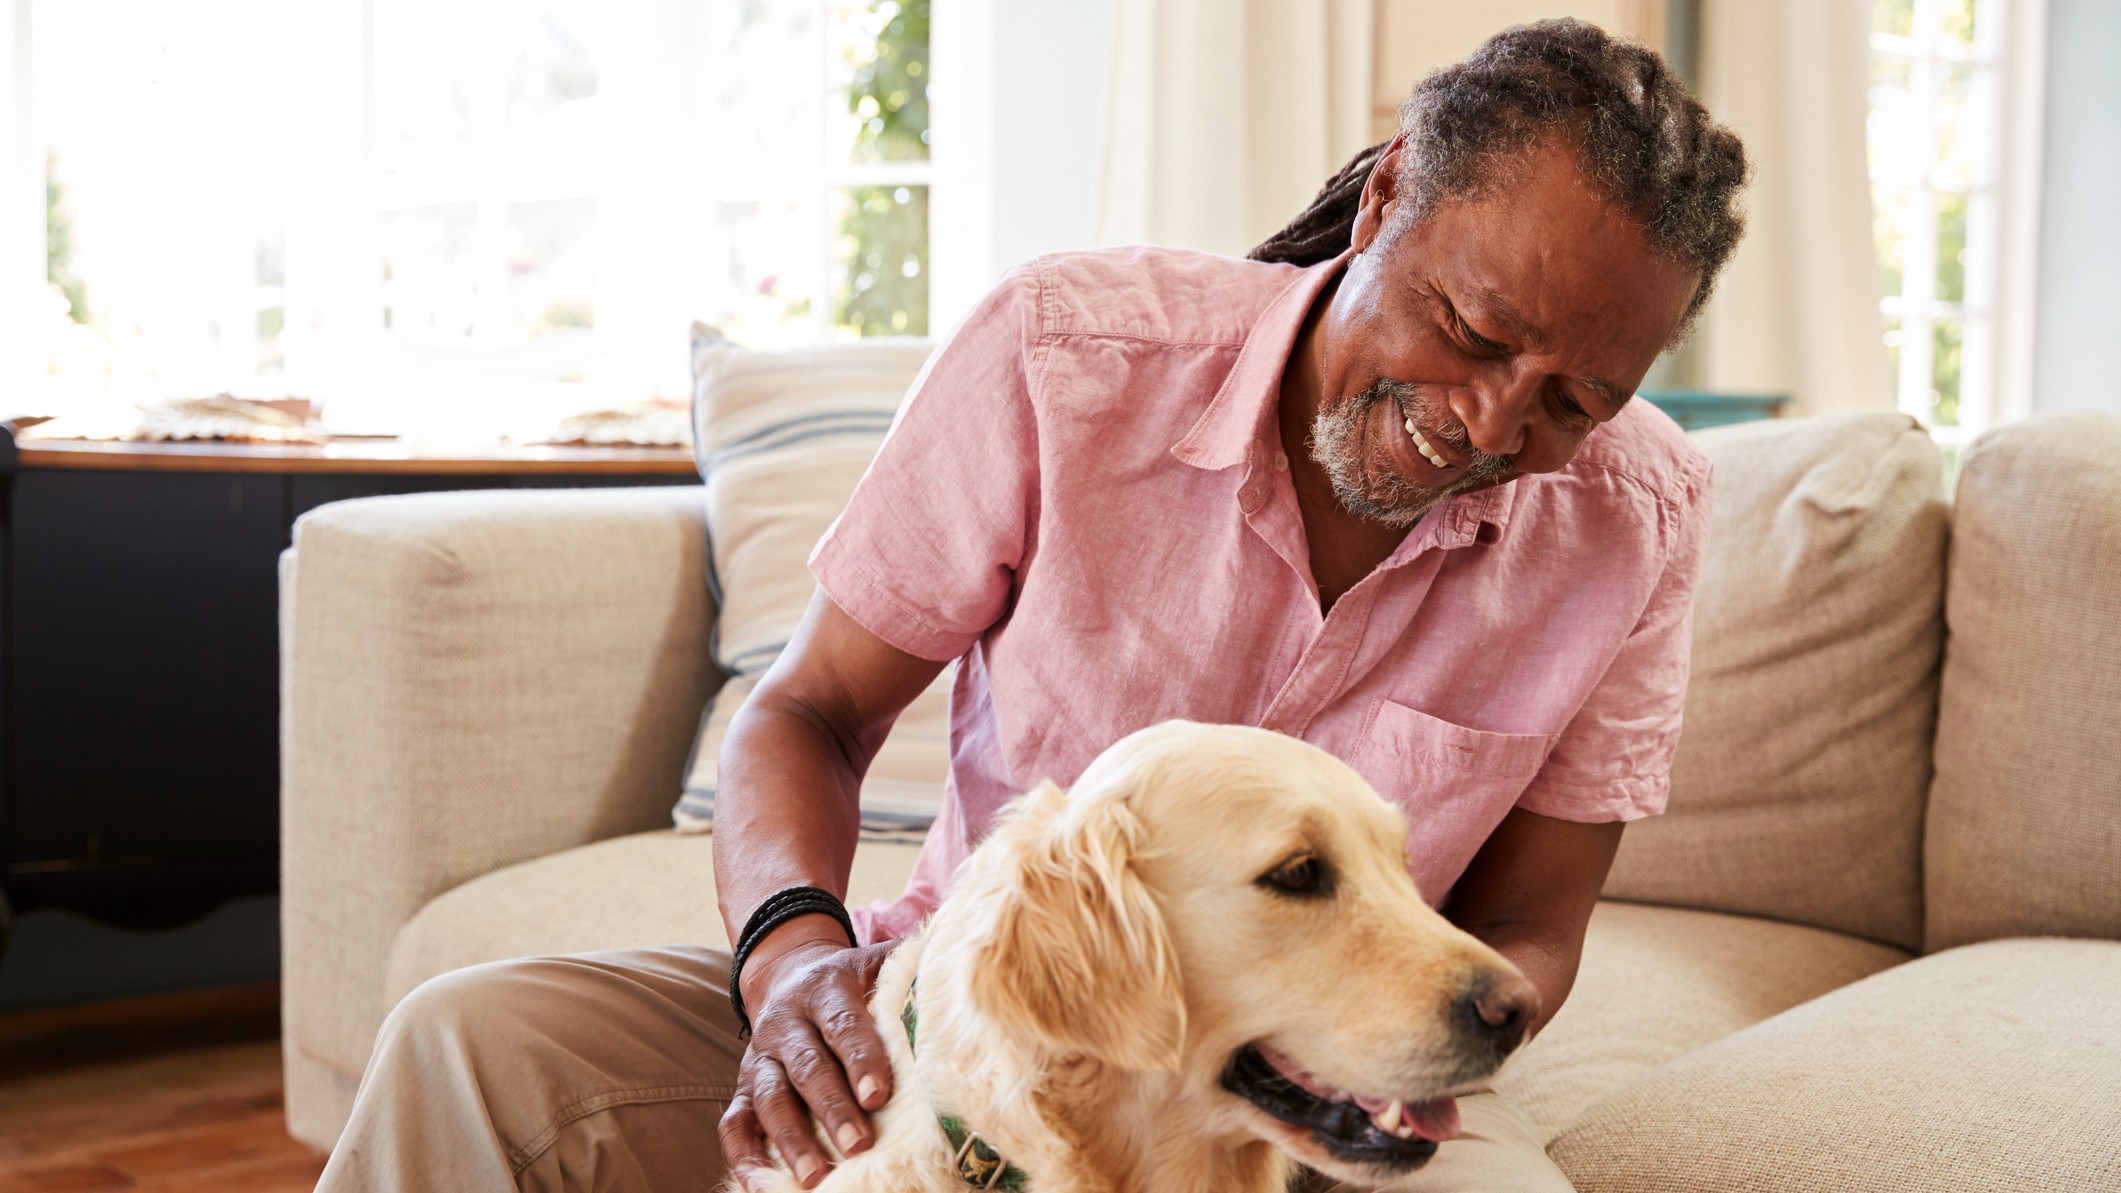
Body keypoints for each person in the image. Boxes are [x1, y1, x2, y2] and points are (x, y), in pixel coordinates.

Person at [315, 18, 1747, 1193]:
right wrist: (797, 963)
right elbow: (806, 712)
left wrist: (1342, 1079)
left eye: (1572, 398)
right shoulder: (1069, 354)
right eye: (1470, 331)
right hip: (976, 1000)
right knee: (473, 1043)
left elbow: (1534, 925)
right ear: (1381, 206)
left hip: (1321, 1073)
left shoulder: (1637, 518)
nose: (1490, 420)